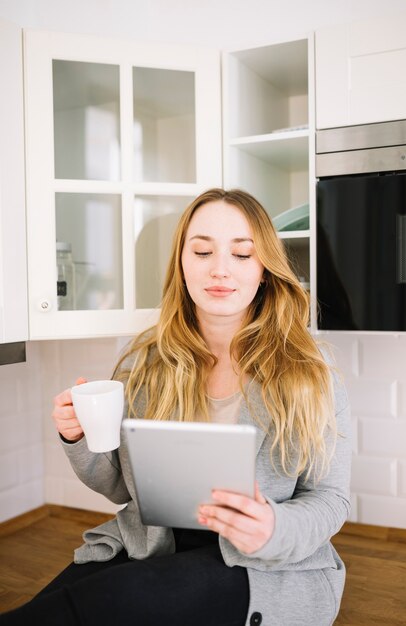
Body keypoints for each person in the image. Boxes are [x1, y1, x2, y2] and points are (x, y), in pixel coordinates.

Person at [0, 188, 351, 626]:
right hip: (152, 544)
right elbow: (122, 489)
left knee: (109, 600)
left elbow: (331, 499)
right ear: (182, 263)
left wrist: (272, 527)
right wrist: (79, 438)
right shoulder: (144, 362)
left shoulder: (311, 373)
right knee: (55, 603)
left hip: (257, 562)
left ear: (264, 270)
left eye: (242, 255)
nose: (220, 269)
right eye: (202, 251)